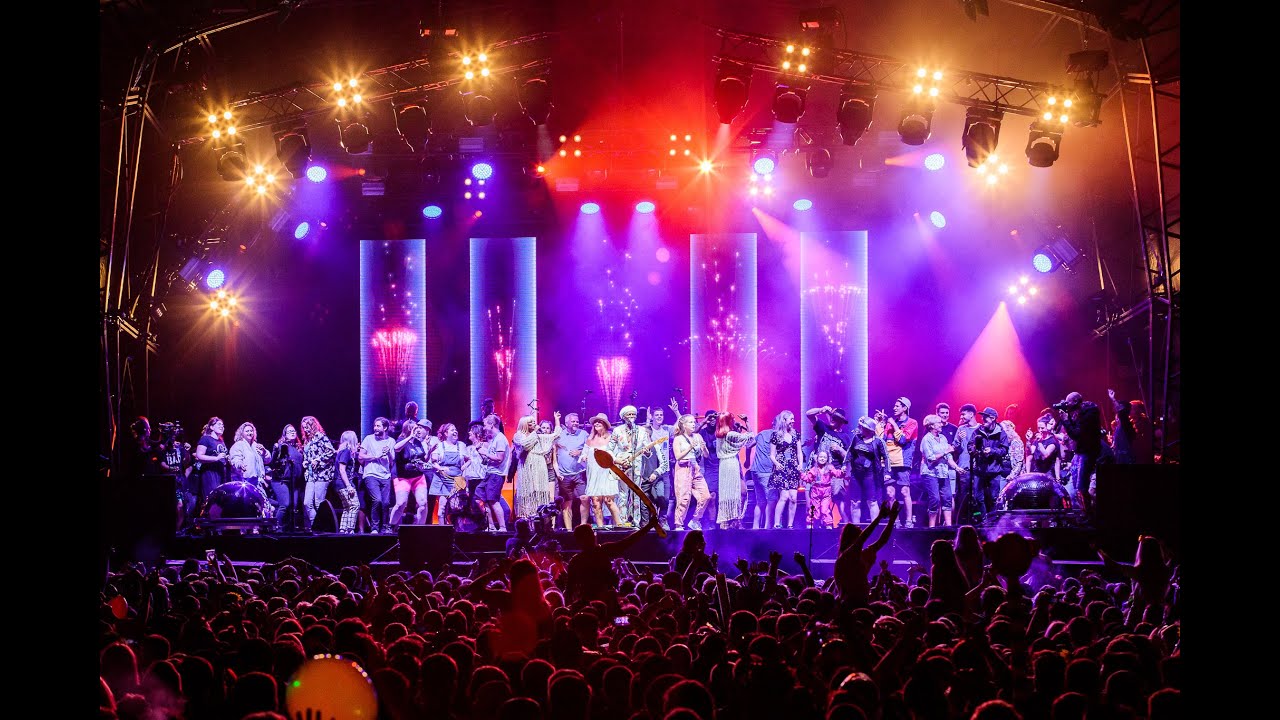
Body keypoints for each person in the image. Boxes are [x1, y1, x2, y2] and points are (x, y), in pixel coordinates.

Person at [563, 514, 660, 611]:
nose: (594, 535)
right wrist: (648, 526)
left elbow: (569, 590)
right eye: (592, 534)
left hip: (590, 603)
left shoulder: (576, 560)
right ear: (582, 540)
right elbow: (627, 542)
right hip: (605, 602)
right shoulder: (601, 551)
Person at [607, 405, 655, 528]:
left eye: (633, 414)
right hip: (622, 464)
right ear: (623, 417)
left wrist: (647, 452)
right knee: (623, 494)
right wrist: (617, 460)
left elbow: (647, 449)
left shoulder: (642, 430)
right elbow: (609, 449)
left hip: (637, 465)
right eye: (629, 415)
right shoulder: (617, 431)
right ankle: (622, 521)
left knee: (636, 493)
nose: (631, 417)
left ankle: (636, 521)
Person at [1056, 391, 1102, 516]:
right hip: (1079, 452)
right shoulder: (1077, 413)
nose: (1067, 405)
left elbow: (1076, 434)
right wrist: (1067, 418)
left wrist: (1065, 420)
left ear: (1076, 402)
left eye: (1068, 402)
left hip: (1087, 452)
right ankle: (1083, 513)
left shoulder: (1088, 413)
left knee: (1082, 486)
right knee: (1077, 487)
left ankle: (1089, 515)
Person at [805, 405, 854, 522]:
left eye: (836, 418)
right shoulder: (823, 428)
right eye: (832, 416)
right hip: (819, 472)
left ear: (841, 421)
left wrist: (840, 450)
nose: (832, 419)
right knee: (818, 501)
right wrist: (821, 410)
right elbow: (809, 414)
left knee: (839, 499)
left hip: (835, 473)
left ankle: (846, 524)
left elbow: (850, 457)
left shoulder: (845, 437)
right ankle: (820, 527)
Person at [877, 397, 918, 528]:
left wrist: (893, 424)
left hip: (903, 462)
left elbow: (903, 440)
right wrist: (880, 424)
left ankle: (909, 520)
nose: (894, 408)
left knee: (905, 491)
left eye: (897, 406)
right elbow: (881, 441)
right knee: (890, 494)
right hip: (888, 463)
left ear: (905, 408)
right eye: (894, 406)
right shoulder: (889, 423)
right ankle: (895, 521)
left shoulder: (912, 422)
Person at [513, 412, 561, 521]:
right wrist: (534, 432)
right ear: (524, 424)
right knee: (527, 493)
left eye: (534, 422)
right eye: (531, 423)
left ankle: (540, 520)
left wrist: (556, 419)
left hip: (539, 466)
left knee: (539, 492)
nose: (534, 424)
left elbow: (556, 435)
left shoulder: (539, 436)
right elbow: (525, 445)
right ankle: (526, 519)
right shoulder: (518, 436)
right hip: (526, 466)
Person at [966, 407, 1010, 522]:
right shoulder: (978, 431)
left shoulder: (1001, 433)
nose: (982, 419)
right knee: (977, 497)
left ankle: (994, 521)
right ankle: (984, 520)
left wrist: (992, 451)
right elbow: (970, 446)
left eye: (985, 417)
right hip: (980, 470)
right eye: (982, 416)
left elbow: (1004, 450)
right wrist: (974, 450)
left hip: (994, 471)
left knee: (994, 497)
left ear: (993, 418)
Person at [583, 413, 626, 528]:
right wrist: (583, 457)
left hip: (607, 473)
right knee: (596, 503)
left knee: (609, 501)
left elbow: (617, 455)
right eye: (595, 422)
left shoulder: (612, 438)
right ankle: (601, 529)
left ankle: (619, 526)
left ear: (605, 424)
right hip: (594, 475)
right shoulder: (590, 439)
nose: (596, 423)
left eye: (599, 421)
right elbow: (584, 454)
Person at [714, 413, 755, 529]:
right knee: (736, 493)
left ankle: (732, 520)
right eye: (731, 419)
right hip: (731, 464)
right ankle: (733, 520)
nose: (733, 420)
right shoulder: (731, 434)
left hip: (724, 465)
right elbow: (751, 437)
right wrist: (747, 421)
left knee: (734, 493)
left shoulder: (721, 434)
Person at [671, 413, 712, 531]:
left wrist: (704, 448)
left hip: (696, 467)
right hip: (683, 468)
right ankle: (679, 524)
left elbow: (706, 455)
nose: (693, 424)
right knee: (684, 498)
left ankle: (695, 520)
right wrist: (690, 447)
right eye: (690, 422)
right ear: (683, 425)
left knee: (705, 496)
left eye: (694, 422)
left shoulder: (698, 436)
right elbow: (678, 457)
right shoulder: (678, 439)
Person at [551, 413, 591, 532]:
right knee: (567, 503)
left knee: (584, 498)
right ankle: (569, 531)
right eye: (573, 421)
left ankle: (583, 526)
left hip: (580, 473)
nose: (575, 423)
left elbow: (591, 447)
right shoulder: (560, 435)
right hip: (564, 475)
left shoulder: (583, 434)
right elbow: (552, 445)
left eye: (577, 421)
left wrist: (580, 452)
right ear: (567, 423)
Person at [919, 414, 961, 527]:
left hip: (943, 472)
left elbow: (949, 457)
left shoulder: (943, 438)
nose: (941, 424)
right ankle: (931, 527)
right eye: (938, 422)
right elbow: (930, 458)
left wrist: (957, 468)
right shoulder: (927, 439)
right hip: (930, 473)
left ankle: (948, 526)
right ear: (931, 425)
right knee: (935, 500)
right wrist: (945, 452)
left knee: (947, 498)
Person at [358, 417, 396, 535]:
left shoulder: (391, 441)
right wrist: (376, 456)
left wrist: (389, 452)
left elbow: (392, 461)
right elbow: (360, 457)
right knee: (377, 500)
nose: (375, 428)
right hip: (371, 474)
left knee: (385, 503)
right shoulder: (368, 439)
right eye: (375, 425)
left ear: (385, 428)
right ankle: (374, 527)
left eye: (378, 426)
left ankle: (384, 527)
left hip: (385, 475)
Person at [847, 416, 888, 524]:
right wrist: (844, 465)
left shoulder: (878, 441)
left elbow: (886, 457)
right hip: (856, 474)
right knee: (855, 502)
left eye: (863, 427)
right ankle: (855, 529)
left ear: (869, 429)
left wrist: (887, 473)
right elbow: (850, 452)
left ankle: (874, 528)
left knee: (872, 501)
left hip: (870, 475)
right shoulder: (857, 438)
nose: (861, 429)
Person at [390, 420, 430, 529]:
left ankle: (420, 529)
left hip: (417, 476)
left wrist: (429, 452)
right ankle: (391, 527)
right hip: (402, 477)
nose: (418, 430)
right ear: (409, 429)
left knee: (423, 503)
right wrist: (410, 437)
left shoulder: (418, 442)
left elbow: (423, 459)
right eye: (416, 428)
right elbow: (396, 448)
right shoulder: (402, 440)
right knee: (401, 504)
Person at [300, 416, 336, 533]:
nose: (306, 430)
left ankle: (320, 528)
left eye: (308, 427)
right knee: (307, 502)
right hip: (310, 475)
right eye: (304, 427)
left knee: (318, 502)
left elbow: (331, 451)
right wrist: (305, 461)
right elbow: (308, 455)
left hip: (322, 474)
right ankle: (315, 526)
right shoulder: (307, 440)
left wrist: (318, 460)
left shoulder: (320, 437)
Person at [477, 413, 512, 532]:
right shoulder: (494, 440)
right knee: (479, 497)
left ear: (492, 425)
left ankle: (502, 527)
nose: (484, 427)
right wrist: (482, 454)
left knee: (493, 500)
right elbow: (491, 458)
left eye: (485, 425)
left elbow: (499, 458)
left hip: (496, 474)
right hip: (489, 473)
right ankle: (490, 525)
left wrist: (485, 452)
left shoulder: (500, 439)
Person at [228, 422, 271, 517]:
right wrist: (240, 465)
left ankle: (259, 527)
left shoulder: (257, 446)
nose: (250, 433)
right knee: (246, 504)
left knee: (262, 503)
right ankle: (245, 528)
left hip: (257, 481)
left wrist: (264, 452)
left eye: (251, 431)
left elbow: (268, 460)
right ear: (242, 433)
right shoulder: (238, 445)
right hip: (244, 480)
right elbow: (235, 459)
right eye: (247, 431)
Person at [768, 411, 802, 529]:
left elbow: (799, 452)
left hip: (792, 467)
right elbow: (772, 455)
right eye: (791, 419)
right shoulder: (775, 435)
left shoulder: (795, 434)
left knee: (793, 498)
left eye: (793, 419)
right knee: (784, 496)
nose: (793, 421)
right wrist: (776, 463)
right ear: (784, 420)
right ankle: (777, 523)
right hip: (781, 467)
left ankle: (790, 524)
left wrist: (800, 464)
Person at [268, 424, 304, 533]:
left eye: (293, 431)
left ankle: (287, 531)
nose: (292, 432)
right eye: (289, 431)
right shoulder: (281, 446)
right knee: (285, 505)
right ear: (285, 434)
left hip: (295, 483)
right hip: (281, 481)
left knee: (293, 507)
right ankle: (275, 528)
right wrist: (275, 451)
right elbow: (273, 462)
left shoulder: (298, 448)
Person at [192, 417, 229, 520]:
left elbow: (222, 456)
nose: (222, 426)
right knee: (211, 500)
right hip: (209, 473)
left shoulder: (221, 441)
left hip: (221, 473)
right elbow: (199, 455)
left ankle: (217, 527)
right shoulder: (206, 439)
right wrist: (216, 458)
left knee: (220, 501)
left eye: (223, 425)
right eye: (219, 424)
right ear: (212, 427)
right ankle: (206, 527)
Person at [427, 423, 464, 526]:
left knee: (456, 507)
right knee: (441, 510)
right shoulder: (439, 445)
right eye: (452, 430)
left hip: (456, 479)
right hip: (442, 479)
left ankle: (458, 531)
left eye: (456, 429)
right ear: (446, 433)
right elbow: (433, 462)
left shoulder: (461, 445)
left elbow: (467, 460)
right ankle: (442, 532)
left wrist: (463, 470)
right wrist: (441, 468)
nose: (455, 431)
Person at [745, 414, 776, 529]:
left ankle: (755, 527)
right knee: (771, 500)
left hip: (755, 471)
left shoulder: (762, 433)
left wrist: (747, 461)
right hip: (766, 471)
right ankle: (768, 528)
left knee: (760, 501)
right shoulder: (778, 436)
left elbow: (748, 445)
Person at [1108, 388, 1153, 464]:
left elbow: (1122, 413)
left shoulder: (1129, 422)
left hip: (1131, 457)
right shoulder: (1125, 422)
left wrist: (1113, 399)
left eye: (1133, 408)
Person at [801, 449, 844, 529]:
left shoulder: (830, 467)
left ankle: (828, 524)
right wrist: (802, 474)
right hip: (816, 491)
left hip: (826, 492)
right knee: (814, 509)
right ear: (817, 458)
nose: (822, 458)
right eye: (820, 457)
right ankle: (810, 524)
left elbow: (837, 473)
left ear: (827, 459)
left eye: (824, 457)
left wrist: (842, 472)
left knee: (824, 509)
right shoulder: (814, 469)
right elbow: (808, 479)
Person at [333, 431, 362, 534]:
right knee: (355, 505)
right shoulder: (346, 451)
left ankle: (343, 529)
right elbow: (342, 469)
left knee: (347, 507)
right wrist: (349, 486)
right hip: (343, 482)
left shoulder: (344, 451)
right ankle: (350, 529)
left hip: (340, 483)